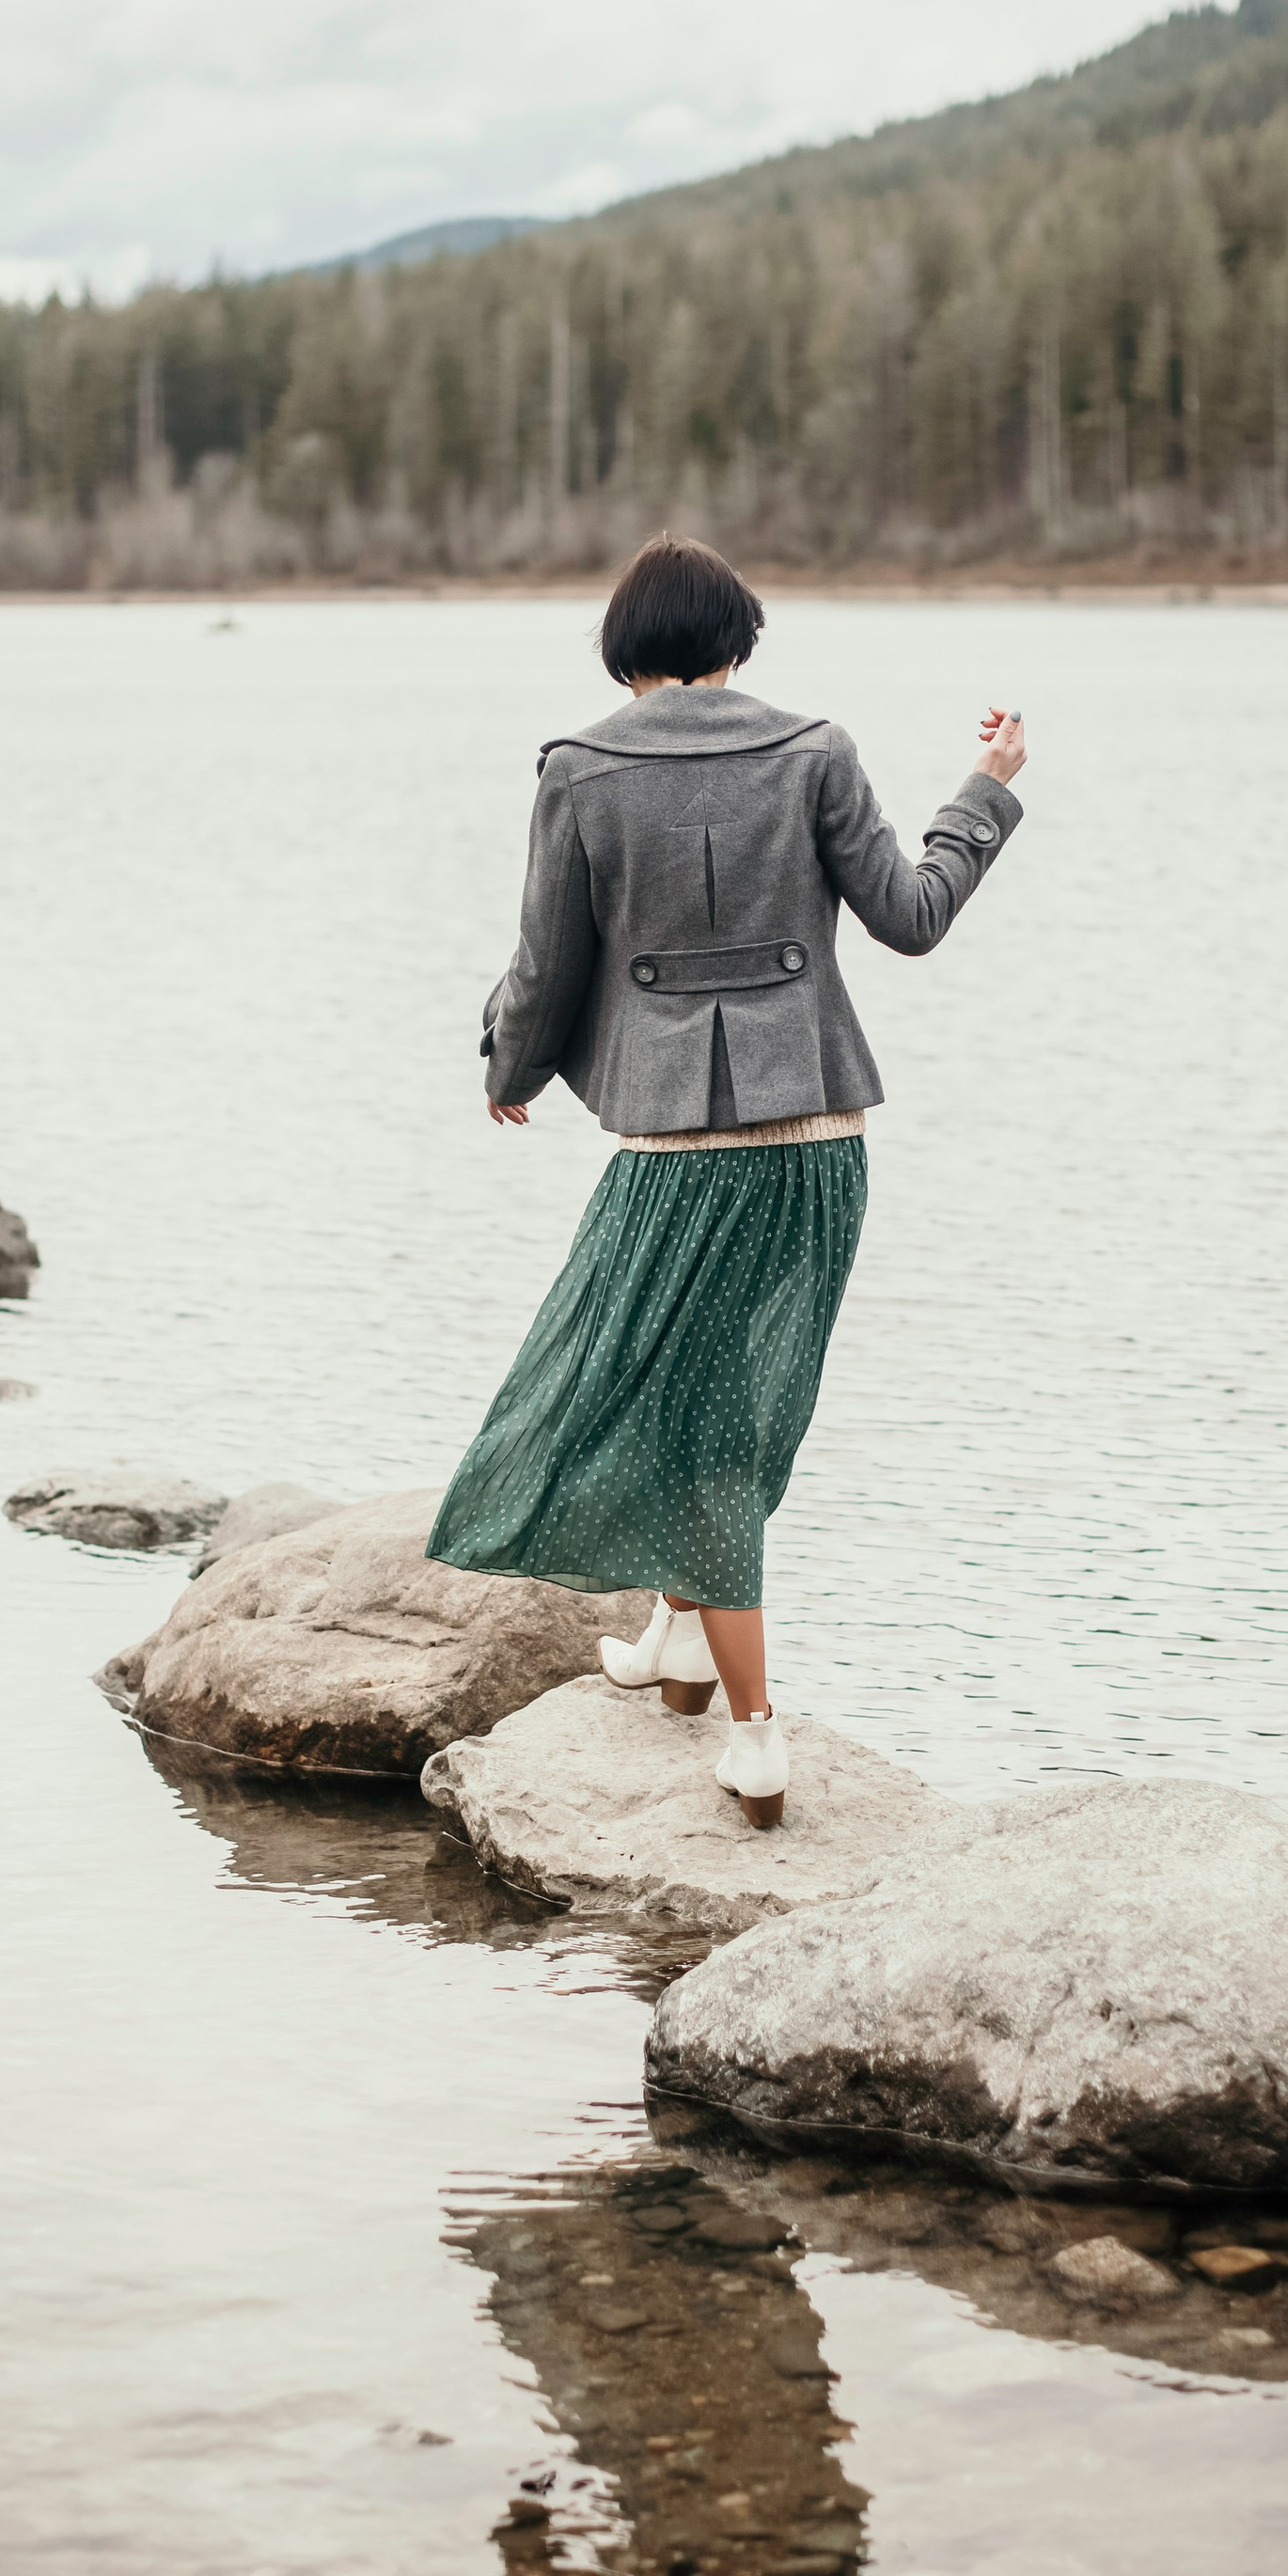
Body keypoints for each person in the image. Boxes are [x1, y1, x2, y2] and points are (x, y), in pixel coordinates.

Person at [426, 535, 1027, 1828]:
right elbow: (913, 915)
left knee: (674, 1412)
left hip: (674, 1153)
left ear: (623, 649)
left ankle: (756, 1732)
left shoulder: (580, 771)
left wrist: (507, 1064)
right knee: (735, 1406)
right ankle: (673, 1642)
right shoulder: (815, 749)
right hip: (817, 1141)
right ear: (739, 642)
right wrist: (983, 787)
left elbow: (543, 960)